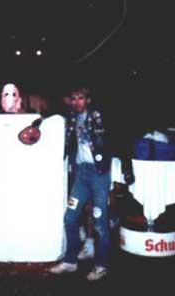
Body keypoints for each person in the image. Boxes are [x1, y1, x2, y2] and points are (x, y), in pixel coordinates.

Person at [48, 85, 114, 280]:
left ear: (88, 100)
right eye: (74, 98)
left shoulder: (97, 116)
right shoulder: (72, 116)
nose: (77, 102)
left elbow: (112, 137)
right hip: (81, 173)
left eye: (81, 98)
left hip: (99, 173)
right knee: (70, 217)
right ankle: (70, 261)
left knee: (100, 223)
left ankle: (101, 266)